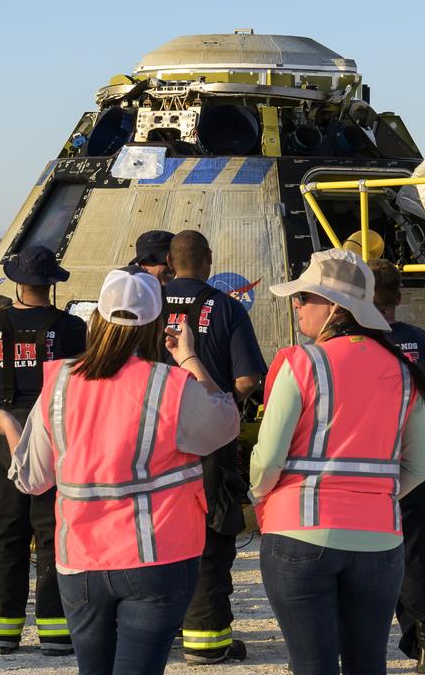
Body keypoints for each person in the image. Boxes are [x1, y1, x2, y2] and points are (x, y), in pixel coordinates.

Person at [0, 268, 240, 675]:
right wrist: (190, 357)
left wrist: (8, 426)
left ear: (97, 320)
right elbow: (225, 423)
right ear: (157, 325)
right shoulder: (170, 384)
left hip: (81, 563)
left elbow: (33, 478)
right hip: (157, 559)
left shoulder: (61, 382)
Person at [251, 249, 425, 675]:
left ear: (334, 307)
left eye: (305, 297)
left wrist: (260, 496)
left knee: (312, 665)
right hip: (379, 541)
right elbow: (421, 465)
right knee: (367, 665)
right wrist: (376, 498)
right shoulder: (403, 371)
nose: (296, 305)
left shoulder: (300, 362)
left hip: (298, 533)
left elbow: (267, 460)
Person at [163, 230, 267, 664]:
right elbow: (247, 379)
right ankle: (205, 640)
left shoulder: (148, 306)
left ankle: (159, 629)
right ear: (208, 260)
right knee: (210, 533)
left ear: (169, 261)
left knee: (158, 532)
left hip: (153, 441)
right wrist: (228, 403)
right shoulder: (226, 307)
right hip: (210, 444)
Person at [0, 245, 88, 654]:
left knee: (5, 530)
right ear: (51, 283)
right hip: (54, 430)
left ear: (18, 282)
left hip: (3, 428)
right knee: (52, 532)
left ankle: (0, 632)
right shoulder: (73, 327)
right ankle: (57, 632)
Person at [369, 259, 425, 674]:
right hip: (411, 459)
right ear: (399, 299)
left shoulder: (360, 342)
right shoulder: (417, 339)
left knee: (360, 558)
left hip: (363, 463)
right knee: (414, 553)